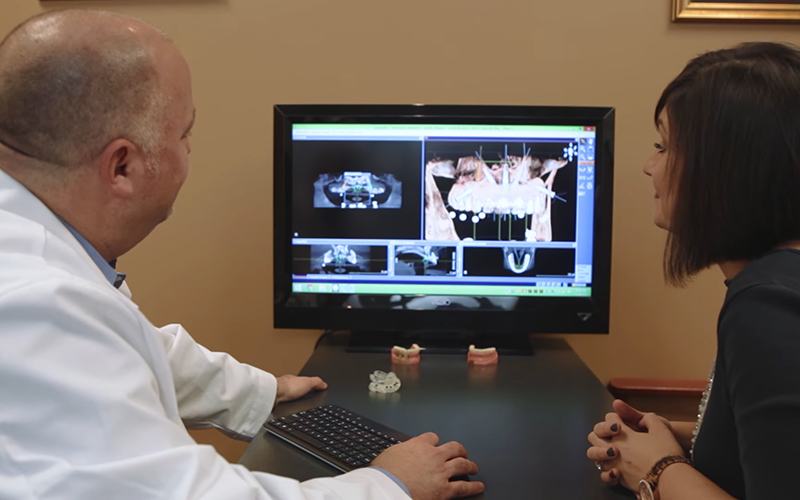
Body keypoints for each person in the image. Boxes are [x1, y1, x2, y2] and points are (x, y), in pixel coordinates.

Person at [0, 10, 484, 500]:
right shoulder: (35, 303)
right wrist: (389, 484)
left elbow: (123, 346)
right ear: (122, 165)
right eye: (184, 134)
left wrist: (258, 391)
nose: (189, 153)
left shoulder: (32, 254)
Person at [586, 42, 800, 499]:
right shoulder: (779, 283)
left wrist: (657, 469)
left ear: (724, 168)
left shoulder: (768, 309)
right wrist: (678, 435)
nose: (649, 166)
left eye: (663, 146)